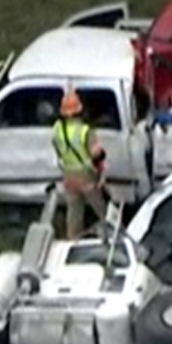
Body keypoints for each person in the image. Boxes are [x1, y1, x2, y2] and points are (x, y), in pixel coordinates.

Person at [52, 88, 108, 239]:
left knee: (74, 211)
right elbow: (96, 155)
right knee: (101, 209)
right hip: (86, 176)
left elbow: (58, 150)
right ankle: (113, 234)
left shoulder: (57, 129)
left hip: (68, 176)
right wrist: (101, 172)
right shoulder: (85, 131)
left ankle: (72, 240)